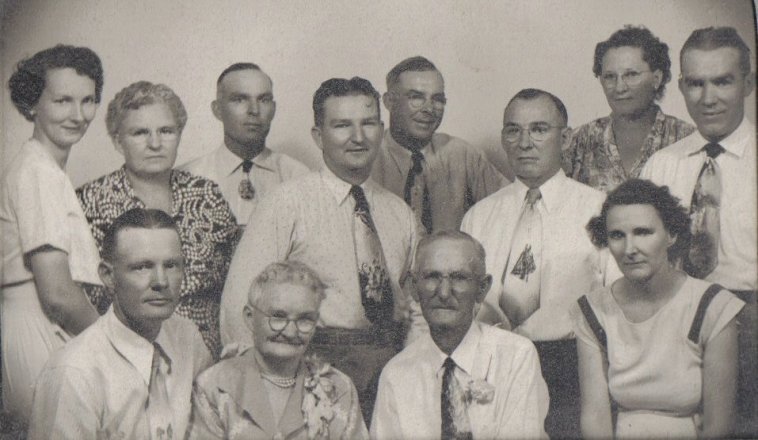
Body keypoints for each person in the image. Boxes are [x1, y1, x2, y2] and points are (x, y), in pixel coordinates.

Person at [220, 77, 423, 422]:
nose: (358, 137)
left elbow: (416, 303)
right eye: (342, 125)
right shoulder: (286, 203)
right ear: (318, 136)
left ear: (381, 129)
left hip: (389, 368)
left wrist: (412, 369)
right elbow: (240, 305)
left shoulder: (398, 213)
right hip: (312, 368)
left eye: (368, 123)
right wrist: (262, 392)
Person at [461, 88, 619, 438]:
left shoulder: (600, 211)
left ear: (564, 139)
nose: (524, 142)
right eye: (513, 130)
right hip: (492, 365)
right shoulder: (479, 216)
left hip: (569, 370)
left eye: (539, 129)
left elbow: (618, 306)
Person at [640, 26, 756, 436]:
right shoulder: (661, 166)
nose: (708, 98)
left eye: (722, 81)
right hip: (675, 318)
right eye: (696, 84)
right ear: (681, 87)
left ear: (748, 82)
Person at [77, 81, 238, 358]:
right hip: (124, 353)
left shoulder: (206, 194)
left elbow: (235, 281)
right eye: (140, 133)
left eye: (166, 131)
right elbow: (82, 296)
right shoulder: (90, 201)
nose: (155, 143)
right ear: (118, 141)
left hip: (206, 354)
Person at [574, 179, 743, 438]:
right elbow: (595, 418)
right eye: (617, 235)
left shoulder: (712, 306)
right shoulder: (593, 309)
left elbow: (718, 427)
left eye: (643, 232)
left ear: (671, 235)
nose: (630, 249)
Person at [28, 208, 213, 440]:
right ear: (108, 276)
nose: (161, 281)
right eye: (142, 267)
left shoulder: (187, 338)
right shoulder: (74, 372)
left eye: (171, 265)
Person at [0, 45, 104, 424]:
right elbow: (58, 295)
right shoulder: (38, 173)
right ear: (32, 105)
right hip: (37, 327)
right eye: (62, 101)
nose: (78, 115)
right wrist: (115, 345)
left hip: (39, 325)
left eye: (88, 101)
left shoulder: (44, 169)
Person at [371, 231, 549, 439]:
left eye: (459, 278)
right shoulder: (396, 374)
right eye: (432, 277)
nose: (444, 292)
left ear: (482, 289)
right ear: (413, 287)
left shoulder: (516, 356)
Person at [189, 261, 367, 439]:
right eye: (278, 317)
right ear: (250, 318)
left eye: (305, 319)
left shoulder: (339, 388)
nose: (291, 332)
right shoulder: (215, 386)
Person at [371, 56, 507, 233]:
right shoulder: (367, 157)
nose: (429, 109)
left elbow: (514, 204)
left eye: (437, 99)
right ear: (389, 101)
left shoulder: (463, 155)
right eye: (416, 97)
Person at [563, 26, 694, 193]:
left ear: (656, 79)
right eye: (610, 77)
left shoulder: (685, 139)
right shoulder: (577, 142)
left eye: (631, 75)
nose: (619, 87)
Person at [180, 63, 309, 227]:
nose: (254, 110)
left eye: (263, 100)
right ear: (217, 109)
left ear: (274, 109)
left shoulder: (298, 176)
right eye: (239, 100)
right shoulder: (187, 178)